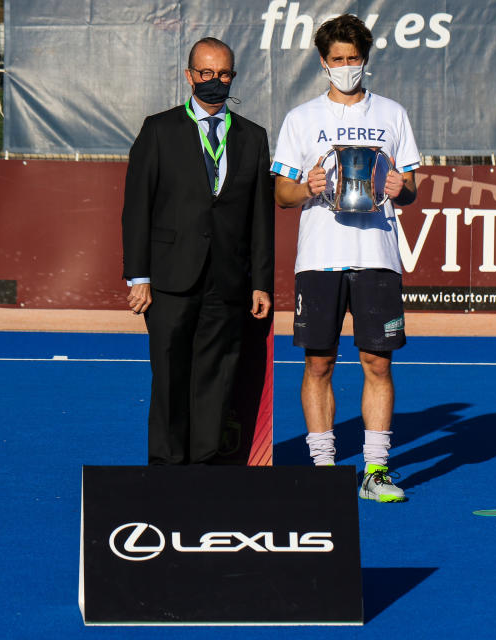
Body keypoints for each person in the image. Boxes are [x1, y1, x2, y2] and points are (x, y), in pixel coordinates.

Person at [271, 14, 420, 502]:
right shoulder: (301, 118)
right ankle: (323, 468)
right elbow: (282, 194)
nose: (346, 67)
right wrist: (306, 185)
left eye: (354, 59)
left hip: (377, 253)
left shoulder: (393, 114)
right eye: (337, 60)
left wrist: (403, 187)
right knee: (318, 363)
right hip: (319, 256)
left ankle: (376, 470)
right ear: (323, 62)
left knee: (378, 362)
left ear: (365, 60)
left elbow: (412, 186)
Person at [122, 37, 274, 465]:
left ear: (234, 76)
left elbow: (260, 217)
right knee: (169, 375)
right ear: (189, 76)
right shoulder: (159, 129)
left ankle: (205, 470)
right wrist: (139, 276)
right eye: (206, 73)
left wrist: (260, 282)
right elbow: (137, 208)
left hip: (227, 280)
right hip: (170, 277)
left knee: (216, 377)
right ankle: (166, 471)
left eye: (223, 74)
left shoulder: (253, 137)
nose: (215, 81)